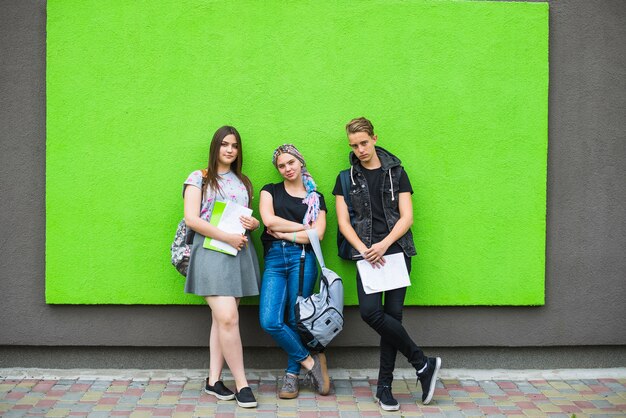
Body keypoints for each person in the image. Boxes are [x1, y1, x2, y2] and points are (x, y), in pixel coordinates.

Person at [333, 117, 442, 411]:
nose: (360, 150)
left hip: (395, 252)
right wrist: (365, 249)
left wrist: (383, 244)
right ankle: (422, 363)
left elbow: (407, 217)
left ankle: (384, 387)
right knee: (371, 313)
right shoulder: (345, 179)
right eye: (354, 145)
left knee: (393, 317)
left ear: (374, 138)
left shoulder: (397, 173)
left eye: (364, 143)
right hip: (366, 255)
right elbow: (343, 223)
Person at [183, 125, 261, 408]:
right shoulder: (199, 178)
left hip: (238, 254)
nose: (230, 149)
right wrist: (226, 236)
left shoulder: (244, 182)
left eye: (235, 145)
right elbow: (192, 219)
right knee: (228, 317)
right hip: (211, 253)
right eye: (225, 144)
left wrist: (254, 224)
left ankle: (213, 381)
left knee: (222, 320)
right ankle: (242, 383)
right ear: (215, 147)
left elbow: (244, 219)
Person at [258, 144, 331, 399]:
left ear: (300, 162)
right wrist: (302, 228)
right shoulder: (270, 191)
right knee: (269, 320)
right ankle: (311, 362)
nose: (287, 168)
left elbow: (318, 235)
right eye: (281, 165)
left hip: (303, 259)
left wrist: (285, 233)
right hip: (275, 260)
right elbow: (268, 221)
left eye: (291, 162)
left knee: (294, 319)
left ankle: (291, 377)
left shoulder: (316, 198)